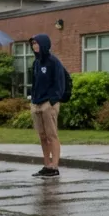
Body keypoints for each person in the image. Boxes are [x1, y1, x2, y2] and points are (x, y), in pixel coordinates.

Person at [29, 34, 67, 177]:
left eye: (36, 43)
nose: (34, 46)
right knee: (42, 136)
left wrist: (52, 101)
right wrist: (33, 99)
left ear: (44, 44)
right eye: (33, 44)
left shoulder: (53, 62)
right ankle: (46, 164)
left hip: (48, 104)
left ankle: (54, 166)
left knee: (52, 135)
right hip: (36, 103)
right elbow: (34, 84)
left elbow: (60, 83)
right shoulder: (36, 63)